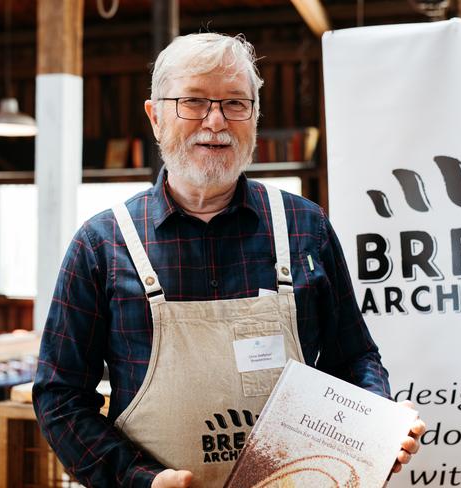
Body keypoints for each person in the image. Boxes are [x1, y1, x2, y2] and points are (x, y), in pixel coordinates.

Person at [33, 32, 425, 488]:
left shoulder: (305, 227)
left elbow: (354, 357)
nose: (216, 121)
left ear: (255, 117)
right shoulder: (101, 244)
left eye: (236, 103)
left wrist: (376, 428)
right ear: (155, 116)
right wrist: (140, 480)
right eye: (194, 102)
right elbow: (60, 398)